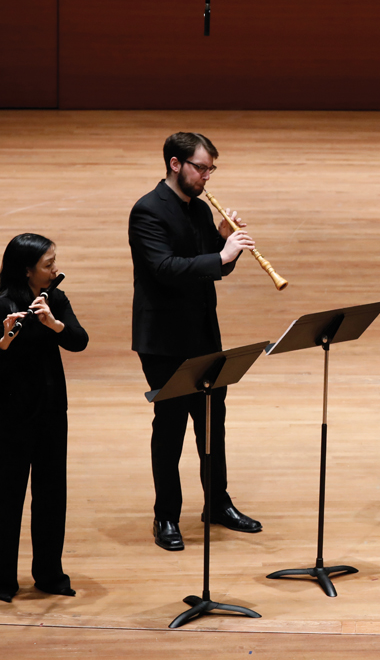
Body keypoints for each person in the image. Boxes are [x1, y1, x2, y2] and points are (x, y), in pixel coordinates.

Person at [129, 132, 262, 552]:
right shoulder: (147, 210)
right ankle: (166, 515)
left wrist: (224, 242)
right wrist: (221, 255)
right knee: (170, 427)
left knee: (211, 424)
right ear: (175, 164)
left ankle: (217, 503)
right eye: (201, 168)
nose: (206, 177)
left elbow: (212, 269)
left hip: (203, 334)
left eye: (210, 169)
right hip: (164, 340)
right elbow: (164, 268)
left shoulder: (200, 209)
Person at [0, 234, 88, 601]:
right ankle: (0, 581)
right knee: (7, 496)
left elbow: (79, 340)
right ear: (27, 270)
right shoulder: (2, 306)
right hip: (13, 413)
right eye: (48, 264)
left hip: (52, 409)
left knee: (51, 495)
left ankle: (49, 574)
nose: (55, 269)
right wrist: (6, 339)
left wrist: (54, 324)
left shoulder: (55, 299)